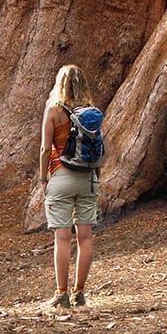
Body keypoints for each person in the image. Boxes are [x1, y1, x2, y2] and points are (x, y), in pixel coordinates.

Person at [39, 64, 100, 309]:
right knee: (85, 237)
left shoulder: (53, 111)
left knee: (62, 237)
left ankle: (61, 294)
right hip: (87, 178)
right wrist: (97, 177)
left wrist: (43, 179)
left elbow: (45, 149)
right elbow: (98, 150)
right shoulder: (93, 113)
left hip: (61, 176)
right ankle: (80, 292)